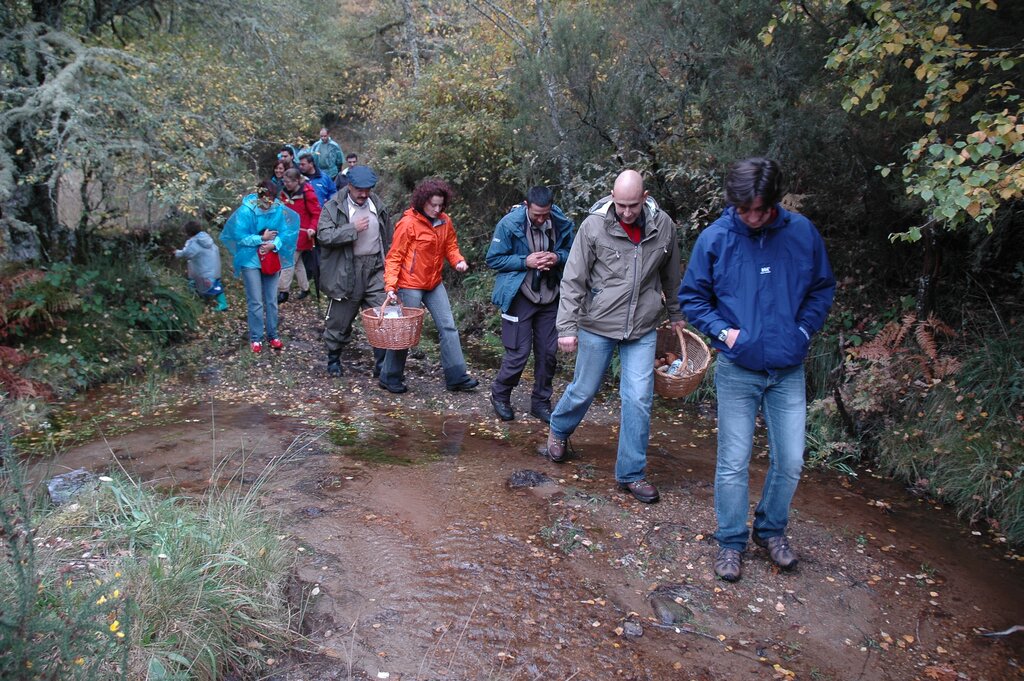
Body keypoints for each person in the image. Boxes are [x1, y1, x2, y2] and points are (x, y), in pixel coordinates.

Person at [678, 157, 835, 582]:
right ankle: (730, 541)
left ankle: (770, 530)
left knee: (791, 460)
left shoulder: (801, 233)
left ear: (774, 203)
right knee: (733, 461)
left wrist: (803, 331)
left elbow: (822, 288)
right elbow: (692, 297)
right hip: (738, 368)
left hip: (788, 368)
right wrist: (723, 333)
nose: (751, 217)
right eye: (744, 209)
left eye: (759, 210)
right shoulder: (716, 239)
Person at [545, 169, 685, 504]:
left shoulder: (664, 226)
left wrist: (676, 314)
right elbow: (573, 279)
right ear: (611, 196)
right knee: (584, 388)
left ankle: (632, 474)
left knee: (638, 397)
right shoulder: (593, 226)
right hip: (597, 323)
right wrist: (566, 328)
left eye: (632, 205)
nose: (626, 212)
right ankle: (559, 430)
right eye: (620, 204)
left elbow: (671, 275)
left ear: (645, 198)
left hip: (642, 327)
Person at [379, 178, 479, 394]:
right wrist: (390, 286)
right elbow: (394, 257)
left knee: (448, 326)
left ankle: (456, 376)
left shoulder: (445, 221)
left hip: (434, 282)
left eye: (440, 205)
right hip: (410, 283)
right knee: (405, 331)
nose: (436, 209)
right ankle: (389, 376)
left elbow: (450, 246)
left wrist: (458, 261)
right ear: (422, 201)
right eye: (432, 204)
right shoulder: (407, 224)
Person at [485, 186, 574, 423]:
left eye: (546, 214)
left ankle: (541, 403)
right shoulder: (509, 224)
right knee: (518, 353)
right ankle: (500, 395)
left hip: (550, 295)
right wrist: (526, 261)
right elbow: (493, 259)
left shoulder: (561, 222)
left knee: (548, 353)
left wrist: (557, 258)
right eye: (536, 215)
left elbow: (572, 252)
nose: (542, 219)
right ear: (526, 205)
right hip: (519, 295)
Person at [317, 165, 391, 377]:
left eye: (368, 189)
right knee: (340, 320)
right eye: (359, 189)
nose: (363, 194)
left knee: (382, 316)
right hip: (346, 269)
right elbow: (324, 236)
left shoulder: (377, 204)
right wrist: (352, 229)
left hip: (375, 267)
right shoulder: (334, 206)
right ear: (349, 186)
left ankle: (382, 365)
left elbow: (387, 237)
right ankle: (333, 360)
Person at [220, 180, 300, 353]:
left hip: (270, 258)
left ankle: (273, 335)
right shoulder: (246, 210)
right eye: (265, 198)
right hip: (251, 260)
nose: (267, 203)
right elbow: (239, 236)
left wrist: (274, 244)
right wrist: (261, 239)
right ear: (259, 196)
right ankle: (256, 338)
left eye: (271, 198)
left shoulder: (278, 209)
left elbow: (286, 232)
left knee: (271, 300)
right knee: (255, 300)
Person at [276, 168, 321, 303]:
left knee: (288, 261)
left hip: (302, 235)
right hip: (288, 234)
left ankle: (283, 291)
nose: (286, 184)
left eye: (289, 182)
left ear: (296, 181)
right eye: (285, 181)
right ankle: (305, 288)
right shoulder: (284, 194)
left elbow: (316, 213)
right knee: (297, 263)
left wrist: (312, 228)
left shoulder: (307, 194)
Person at [174, 220, 227, 311]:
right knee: (215, 285)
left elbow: (187, 253)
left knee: (198, 285)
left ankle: (194, 301)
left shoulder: (194, 242)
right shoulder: (205, 238)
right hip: (214, 268)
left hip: (205, 271)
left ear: (188, 232)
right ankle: (221, 303)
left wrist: (176, 253)